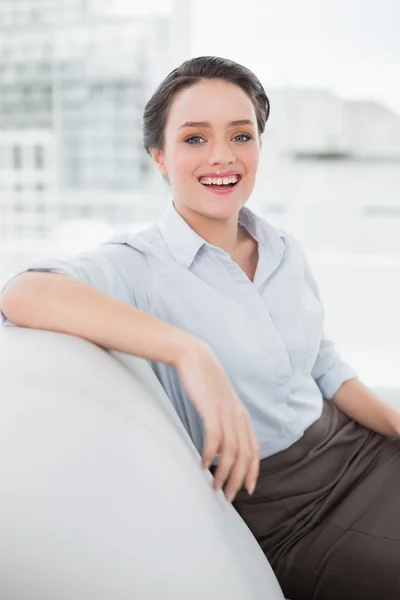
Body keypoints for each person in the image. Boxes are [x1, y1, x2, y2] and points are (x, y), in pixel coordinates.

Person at [1, 55, 400, 600]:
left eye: (241, 135)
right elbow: (23, 292)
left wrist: (395, 424)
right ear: (159, 157)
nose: (222, 156)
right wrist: (190, 352)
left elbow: (325, 366)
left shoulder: (283, 249)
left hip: (354, 448)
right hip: (284, 511)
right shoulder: (136, 265)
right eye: (194, 139)